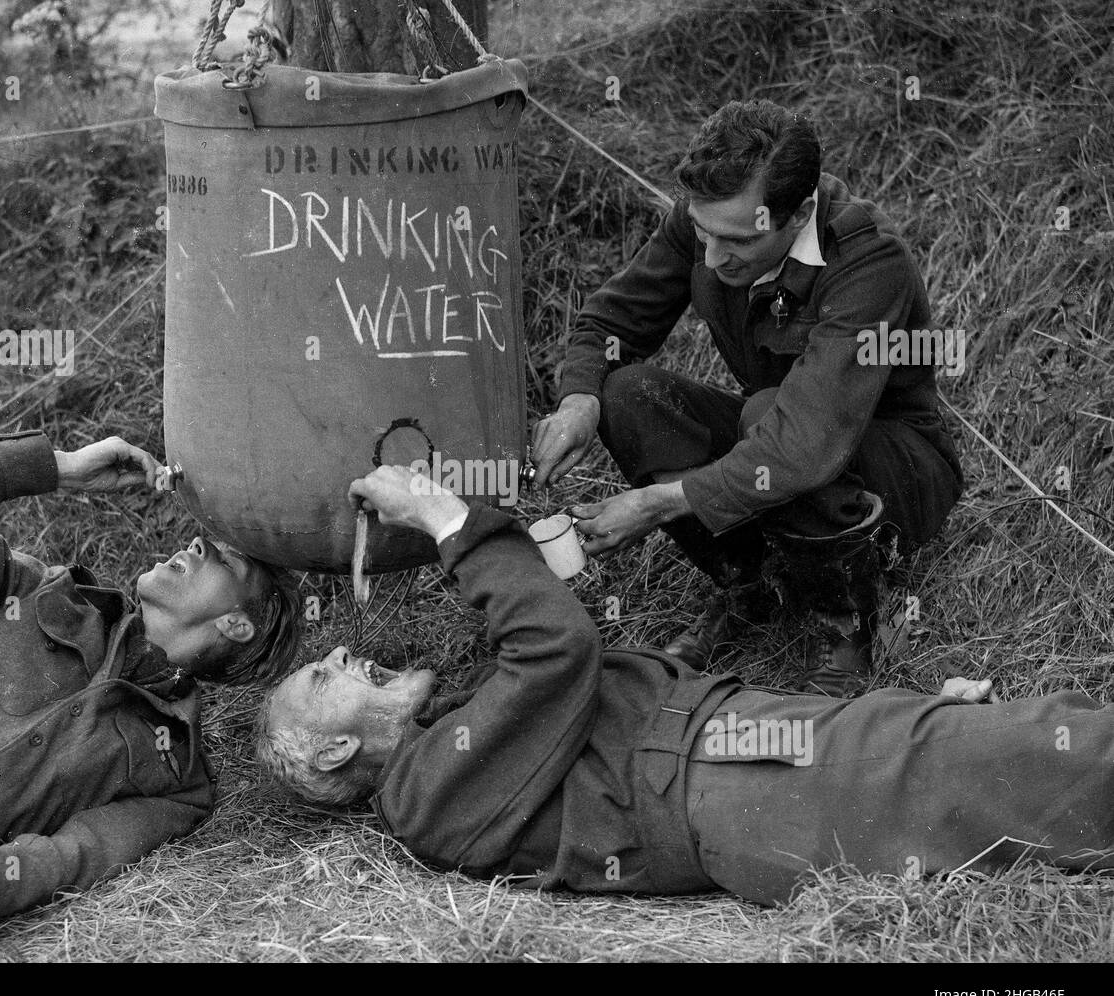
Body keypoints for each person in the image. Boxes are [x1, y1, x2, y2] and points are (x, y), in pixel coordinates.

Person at [257, 468, 1111, 907]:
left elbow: (559, 669)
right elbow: (554, 650)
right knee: (948, 759)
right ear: (336, 749)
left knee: (953, 741)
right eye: (321, 676)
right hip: (722, 781)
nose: (339, 652)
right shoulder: (421, 796)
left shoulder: (448, 740)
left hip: (728, 746)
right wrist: (447, 518)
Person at [530, 99, 964, 696]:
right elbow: (611, 323)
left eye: (734, 241)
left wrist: (658, 504)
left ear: (800, 212)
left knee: (768, 417)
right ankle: (749, 585)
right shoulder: (708, 221)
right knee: (629, 393)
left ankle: (851, 620)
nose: (710, 258)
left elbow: (804, 442)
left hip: (893, 468)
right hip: (776, 436)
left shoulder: (868, 263)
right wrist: (580, 398)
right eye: (702, 233)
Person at [0, 430, 300, 962]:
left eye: (226, 562)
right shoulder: (40, 596)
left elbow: (77, 853)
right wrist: (58, 468)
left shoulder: (177, 782)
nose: (199, 543)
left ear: (236, 625)